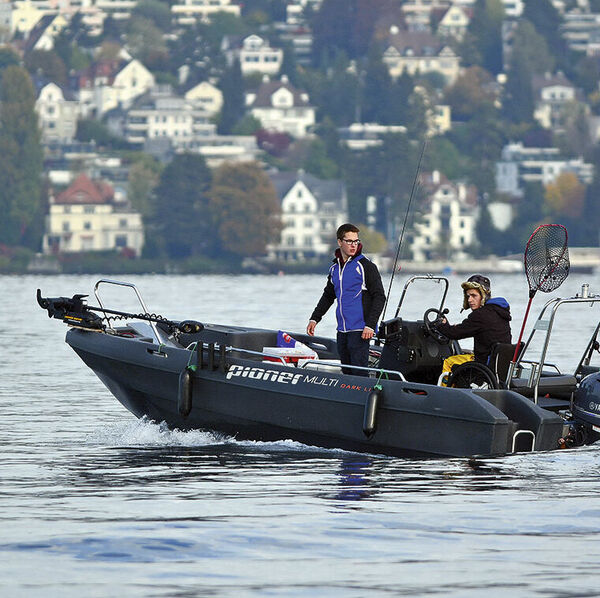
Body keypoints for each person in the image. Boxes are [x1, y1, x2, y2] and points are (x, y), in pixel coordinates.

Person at [307, 223, 385, 376]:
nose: (353, 245)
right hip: (342, 330)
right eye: (349, 241)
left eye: (356, 241)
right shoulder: (335, 268)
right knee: (347, 372)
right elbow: (328, 295)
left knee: (358, 373)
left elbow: (380, 296)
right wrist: (314, 319)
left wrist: (370, 325)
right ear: (339, 242)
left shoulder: (366, 266)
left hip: (360, 330)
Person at [435, 274, 512, 366]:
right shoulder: (500, 312)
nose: (470, 300)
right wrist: (454, 328)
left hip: (484, 365)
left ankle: (444, 381)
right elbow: (470, 328)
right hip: (500, 365)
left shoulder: (480, 315)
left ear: (484, 296)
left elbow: (454, 334)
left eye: (473, 296)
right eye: (468, 296)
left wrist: (442, 326)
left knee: (448, 362)